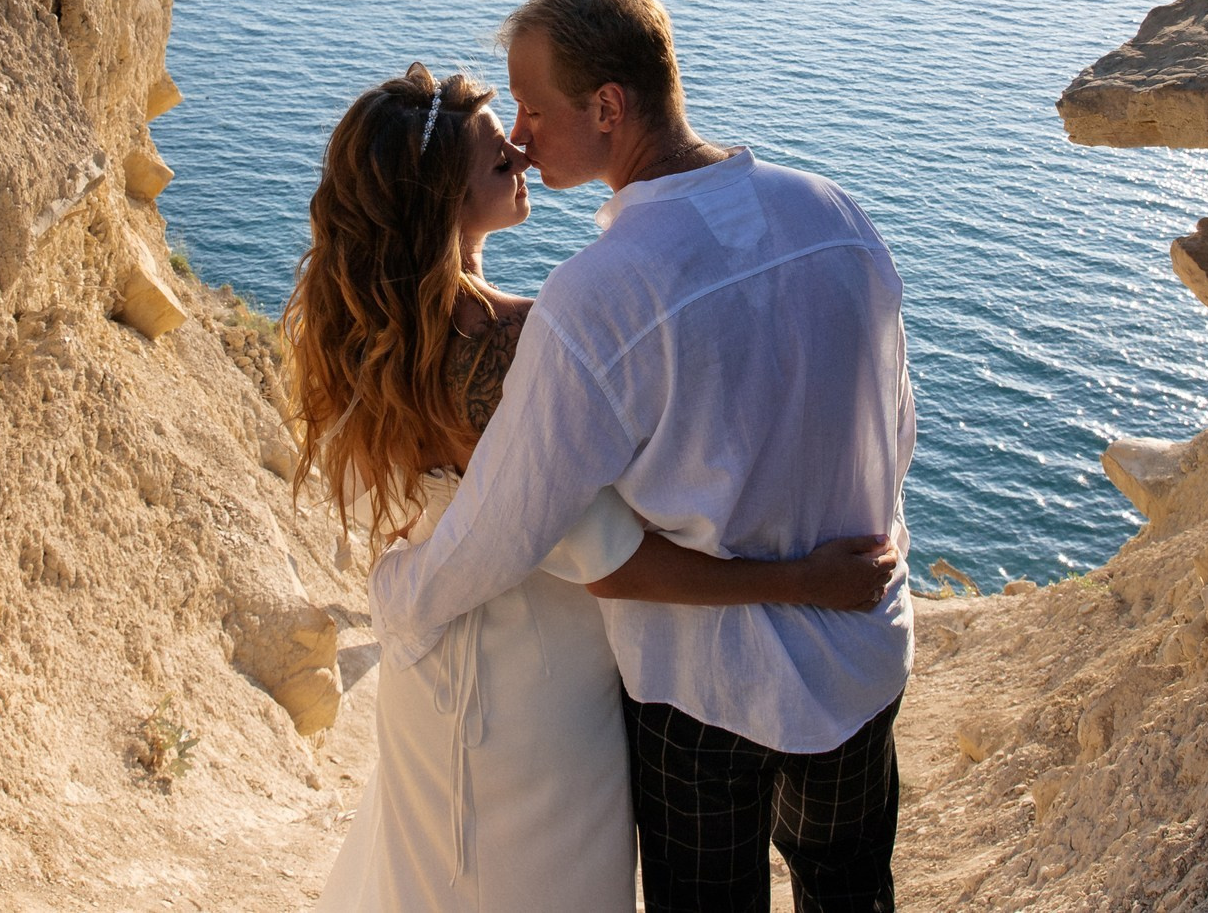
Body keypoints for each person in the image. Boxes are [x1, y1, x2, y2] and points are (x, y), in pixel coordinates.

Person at [289, 63, 898, 913]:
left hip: (441, 674)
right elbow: (611, 563)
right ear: (440, 199)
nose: (520, 150)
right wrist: (801, 580)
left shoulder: (380, 332)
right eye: (493, 152)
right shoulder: (517, 346)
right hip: (534, 692)